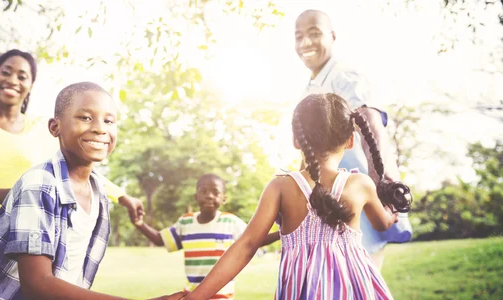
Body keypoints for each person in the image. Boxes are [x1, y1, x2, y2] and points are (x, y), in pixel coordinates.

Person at [0, 50, 144, 298]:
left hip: (29, 250)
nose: (13, 80)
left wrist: (123, 196)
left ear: (30, 85)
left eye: (22, 76)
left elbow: (77, 176)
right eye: (6, 72)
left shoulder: (40, 133)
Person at [181, 93, 412, 300]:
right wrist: (391, 208)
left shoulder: (280, 187)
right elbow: (383, 223)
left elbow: (247, 244)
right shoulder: (361, 184)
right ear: (351, 140)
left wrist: (193, 298)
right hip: (354, 289)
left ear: (296, 139)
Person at [0, 81, 183, 300]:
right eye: (85, 118)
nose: (100, 128)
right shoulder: (37, 183)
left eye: (109, 120)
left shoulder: (98, 191)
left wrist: (126, 198)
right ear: (55, 127)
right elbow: (38, 285)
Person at [294, 9, 410, 269]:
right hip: (329, 205)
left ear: (332, 37)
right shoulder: (310, 89)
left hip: (359, 201)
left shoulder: (344, 77)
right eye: (298, 36)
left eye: (314, 34)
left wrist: (384, 184)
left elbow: (371, 124)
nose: (305, 43)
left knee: (359, 282)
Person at [132, 173, 280, 300]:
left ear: (224, 199)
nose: (209, 195)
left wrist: (280, 233)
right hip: (191, 295)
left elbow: (253, 241)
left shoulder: (231, 221)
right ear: (196, 197)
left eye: (215, 192)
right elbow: (160, 240)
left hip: (221, 294)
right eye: (204, 191)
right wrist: (140, 224)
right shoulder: (186, 222)